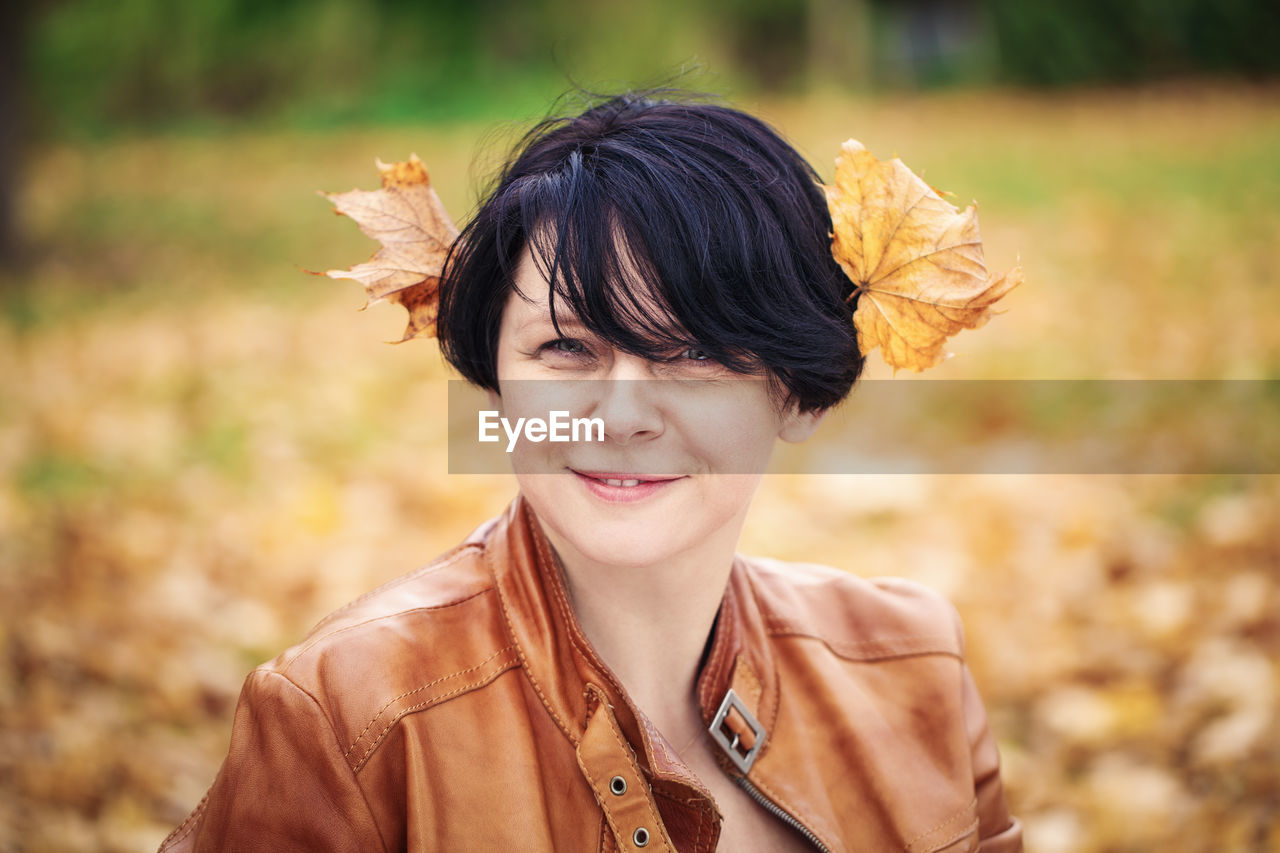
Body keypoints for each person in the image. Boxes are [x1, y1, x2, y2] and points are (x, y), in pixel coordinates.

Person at [160, 92, 1022, 852]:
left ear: (800, 394)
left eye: (693, 351)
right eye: (566, 347)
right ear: (495, 385)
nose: (620, 415)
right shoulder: (353, 720)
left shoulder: (912, 666)